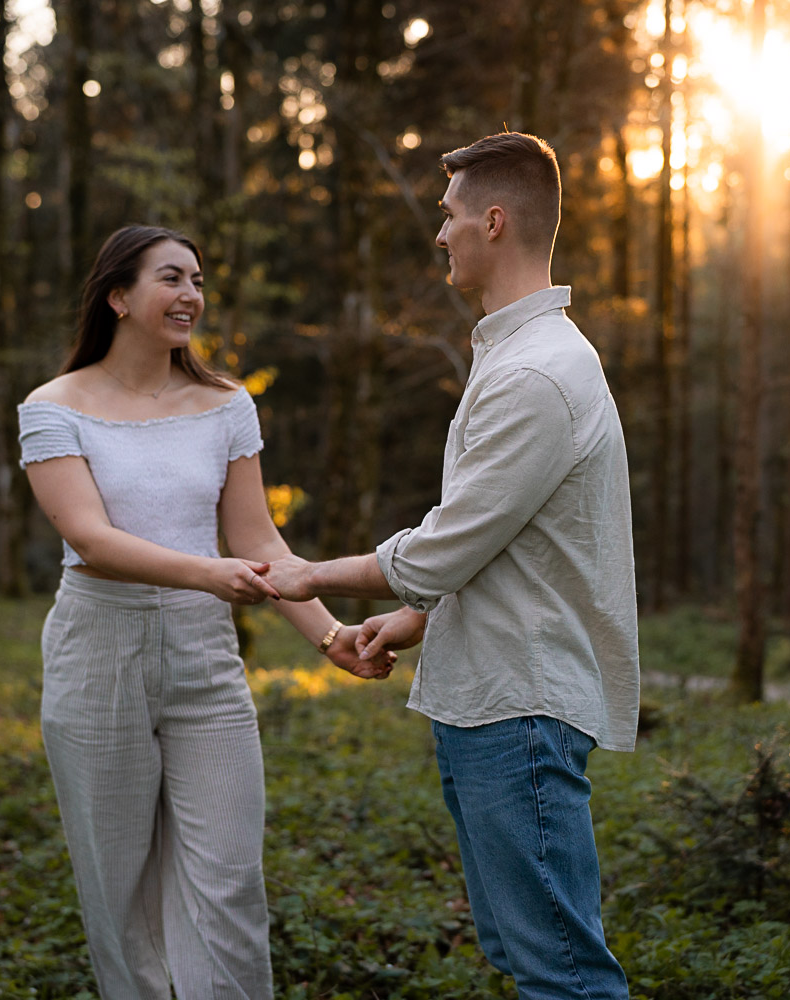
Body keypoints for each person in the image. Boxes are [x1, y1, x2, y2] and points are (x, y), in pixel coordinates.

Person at [260, 132, 640, 1000]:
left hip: (520, 708)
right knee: (525, 959)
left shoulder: (539, 372)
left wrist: (312, 576)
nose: (440, 235)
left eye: (450, 216)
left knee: (564, 976)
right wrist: (413, 621)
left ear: (494, 222)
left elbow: (449, 542)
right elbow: (510, 545)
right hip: (489, 699)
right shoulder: (515, 357)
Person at [17, 224, 394, 1000]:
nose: (190, 295)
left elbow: (257, 538)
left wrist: (328, 634)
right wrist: (209, 573)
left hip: (205, 663)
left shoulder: (225, 405)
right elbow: (90, 539)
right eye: (171, 279)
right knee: (118, 890)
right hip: (99, 657)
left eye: (196, 281)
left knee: (228, 884)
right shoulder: (52, 408)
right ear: (118, 297)